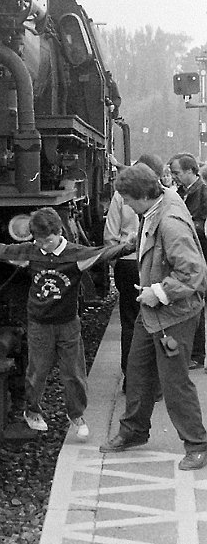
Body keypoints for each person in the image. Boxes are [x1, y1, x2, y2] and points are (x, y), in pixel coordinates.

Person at [0, 207, 130, 440]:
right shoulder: (32, 252)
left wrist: (132, 245)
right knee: (37, 372)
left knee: (74, 373)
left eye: (48, 241)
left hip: (68, 324)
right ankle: (32, 411)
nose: (44, 246)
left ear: (59, 232)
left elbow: (105, 253)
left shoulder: (76, 255)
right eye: (39, 241)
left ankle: (77, 415)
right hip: (39, 324)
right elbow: (4, 250)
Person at [100, 164, 207, 470]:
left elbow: (192, 272)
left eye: (128, 201)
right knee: (137, 371)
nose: (128, 208)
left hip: (173, 314)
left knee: (174, 382)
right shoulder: (160, 203)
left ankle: (197, 443)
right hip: (153, 313)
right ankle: (134, 430)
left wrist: (158, 292)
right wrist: (135, 243)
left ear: (144, 196)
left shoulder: (170, 222)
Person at [104, 153, 164, 390]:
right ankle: (155, 382)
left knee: (129, 322)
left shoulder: (120, 196)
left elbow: (110, 234)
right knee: (156, 321)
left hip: (127, 263)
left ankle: (131, 380)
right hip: (154, 264)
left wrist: (115, 263)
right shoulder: (165, 197)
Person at [169, 153, 207, 369]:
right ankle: (188, 352)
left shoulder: (202, 192)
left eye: (177, 173)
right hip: (188, 255)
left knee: (197, 304)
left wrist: (187, 224)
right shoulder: (181, 192)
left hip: (199, 257)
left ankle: (197, 354)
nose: (174, 177)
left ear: (191, 171)